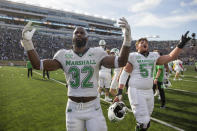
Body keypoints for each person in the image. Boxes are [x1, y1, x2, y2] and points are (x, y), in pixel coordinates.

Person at [20, 17, 131, 131]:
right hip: (73, 108)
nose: (78, 34)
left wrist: (127, 39)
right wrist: (28, 43)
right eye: (76, 32)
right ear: (72, 37)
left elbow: (121, 61)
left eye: (82, 32)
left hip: (93, 107)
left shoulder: (97, 53)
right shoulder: (63, 55)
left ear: (87, 38)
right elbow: (38, 65)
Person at [113, 32, 191, 131]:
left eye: (146, 42)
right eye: (141, 42)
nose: (144, 43)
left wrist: (181, 44)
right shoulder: (133, 56)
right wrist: (119, 91)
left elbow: (170, 57)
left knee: (147, 121)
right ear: (137, 46)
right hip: (136, 91)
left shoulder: (153, 56)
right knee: (143, 122)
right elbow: (125, 74)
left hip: (149, 91)